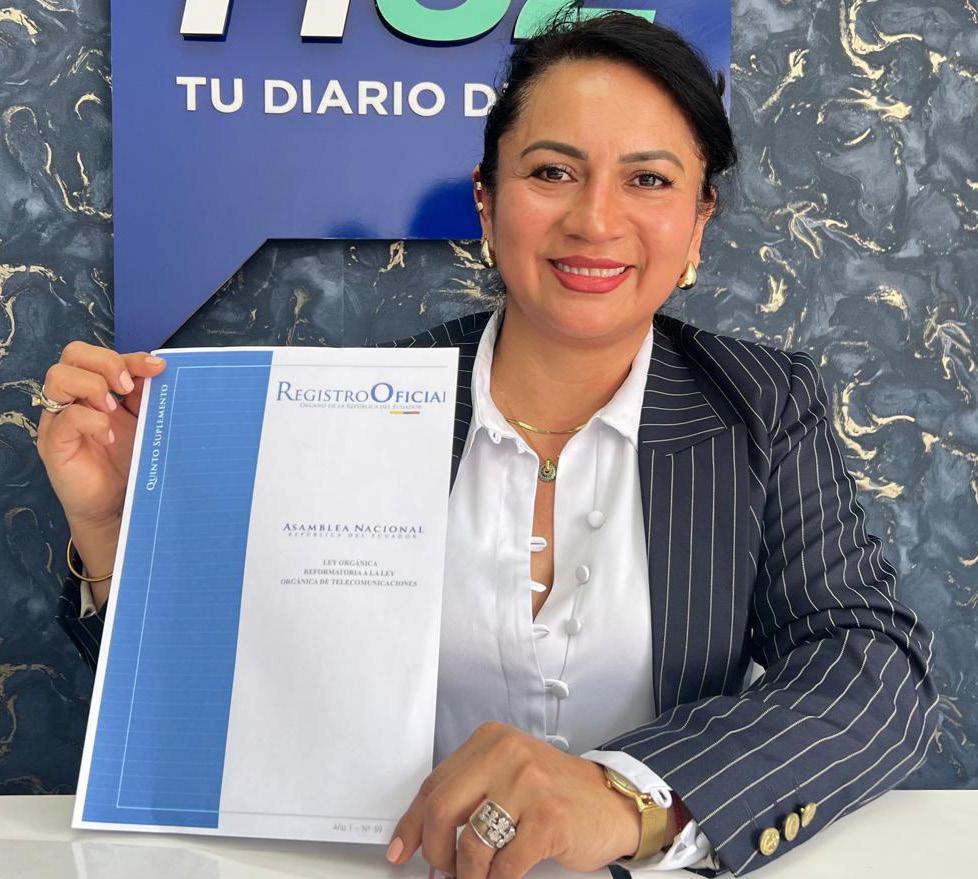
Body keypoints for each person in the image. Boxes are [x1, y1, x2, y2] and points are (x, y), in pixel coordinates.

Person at [34, 9, 938, 879]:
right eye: (552, 171)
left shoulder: (762, 405)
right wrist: (116, 535)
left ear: (699, 221)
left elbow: (872, 671)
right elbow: (214, 710)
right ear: (485, 199)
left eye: (649, 181)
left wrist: (620, 797)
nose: (595, 220)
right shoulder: (353, 406)